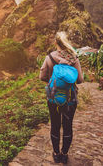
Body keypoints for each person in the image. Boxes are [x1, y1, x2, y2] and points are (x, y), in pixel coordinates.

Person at [39, 31, 83, 164]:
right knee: (68, 125)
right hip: (70, 99)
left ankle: (56, 153)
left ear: (55, 43)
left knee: (55, 125)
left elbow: (42, 77)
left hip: (53, 98)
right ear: (66, 42)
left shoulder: (50, 57)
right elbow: (80, 79)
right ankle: (64, 154)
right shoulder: (74, 58)